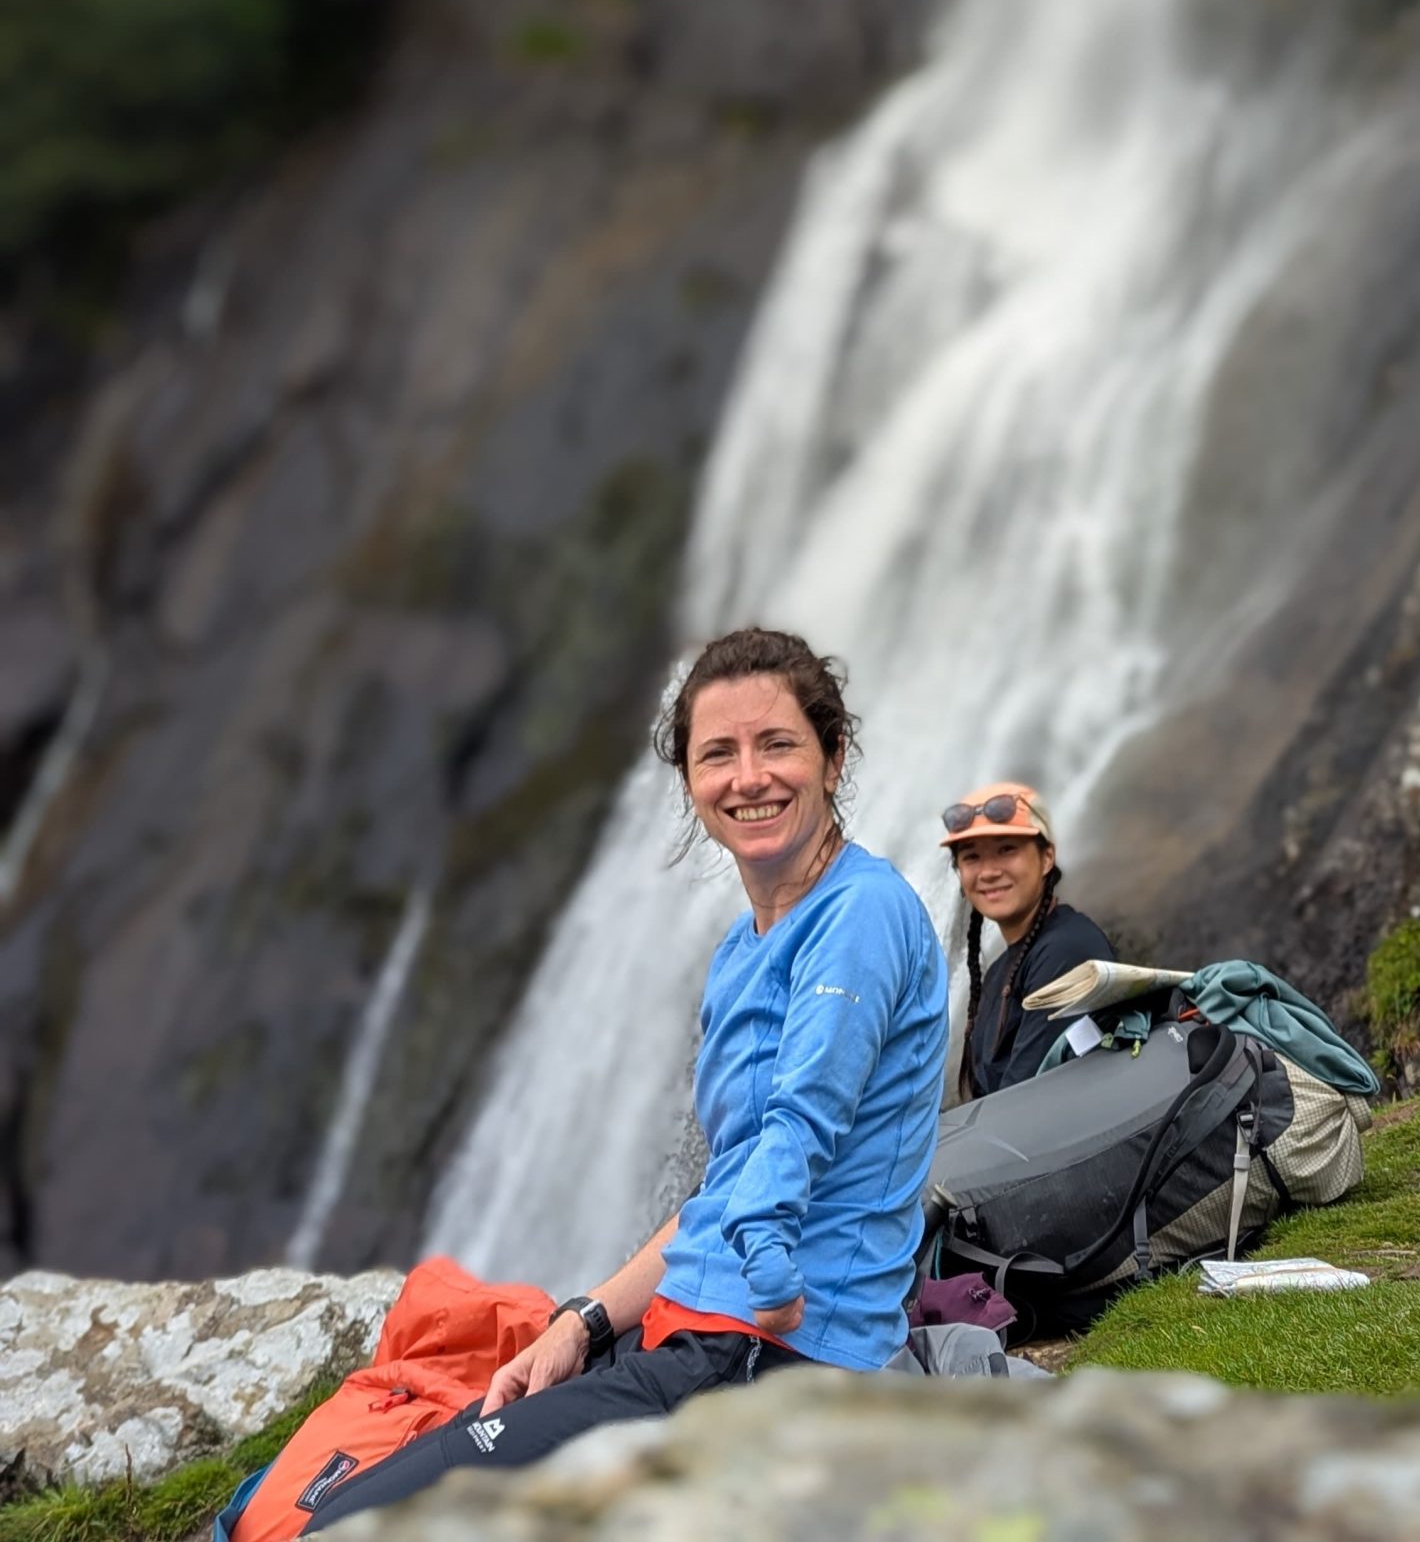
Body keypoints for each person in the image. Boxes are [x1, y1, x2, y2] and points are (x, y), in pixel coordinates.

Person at [308, 628, 949, 1525]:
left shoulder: (863, 913)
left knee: (373, 1521)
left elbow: (799, 1126)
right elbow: (723, 1190)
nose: (748, 777)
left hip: (770, 1355)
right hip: (695, 1336)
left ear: (833, 758)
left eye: (778, 745)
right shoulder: (744, 948)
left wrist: (766, 1277)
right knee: (361, 1495)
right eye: (717, 754)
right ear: (689, 781)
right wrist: (583, 1325)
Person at [941, 783, 1113, 1098]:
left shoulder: (1068, 952)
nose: (988, 872)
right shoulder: (1000, 971)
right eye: (971, 857)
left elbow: (1023, 1106)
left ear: (1047, 858)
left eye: (1007, 849)